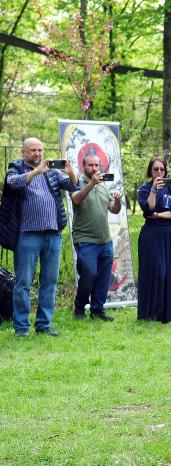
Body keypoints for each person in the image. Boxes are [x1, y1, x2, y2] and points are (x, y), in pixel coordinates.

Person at [5, 137, 79, 336]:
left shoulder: (53, 172)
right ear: (24, 152)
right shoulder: (16, 169)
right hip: (28, 235)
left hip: (53, 234)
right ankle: (21, 328)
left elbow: (74, 187)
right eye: (33, 151)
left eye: (40, 150)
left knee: (50, 281)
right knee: (23, 282)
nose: (37, 154)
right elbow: (12, 184)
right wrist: (37, 171)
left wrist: (71, 172)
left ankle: (44, 325)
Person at [70, 152, 122, 320]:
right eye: (90, 165)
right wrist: (91, 184)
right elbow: (76, 200)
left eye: (96, 165)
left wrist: (118, 200)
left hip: (105, 240)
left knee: (104, 276)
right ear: (83, 167)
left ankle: (97, 310)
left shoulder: (103, 185)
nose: (94, 168)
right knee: (90, 274)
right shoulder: (76, 182)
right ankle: (79, 307)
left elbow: (113, 209)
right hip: (85, 240)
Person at [137, 157, 171, 323]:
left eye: (161, 169)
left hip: (169, 233)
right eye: (155, 169)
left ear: (165, 171)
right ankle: (150, 314)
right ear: (150, 170)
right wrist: (154, 190)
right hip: (151, 234)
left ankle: (169, 315)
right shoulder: (144, 189)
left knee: (170, 273)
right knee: (157, 272)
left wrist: (159, 215)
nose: (159, 172)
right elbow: (148, 207)